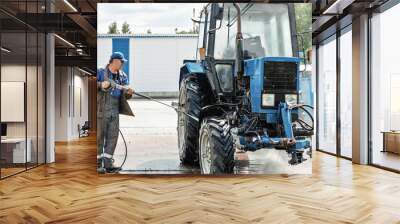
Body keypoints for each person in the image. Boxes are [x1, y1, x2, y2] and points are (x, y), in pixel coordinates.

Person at [97, 52, 134, 173]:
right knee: (99, 136)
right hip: (101, 109)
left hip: (115, 109)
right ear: (114, 61)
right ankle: (97, 164)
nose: (123, 64)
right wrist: (101, 84)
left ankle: (108, 163)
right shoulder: (101, 72)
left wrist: (129, 93)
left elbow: (125, 96)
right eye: (121, 61)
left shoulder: (123, 76)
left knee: (113, 136)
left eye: (123, 62)